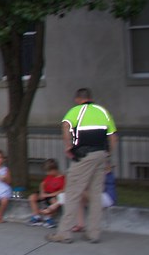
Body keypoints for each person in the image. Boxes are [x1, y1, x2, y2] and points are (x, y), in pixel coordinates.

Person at [48, 87, 117, 244]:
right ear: (90, 98)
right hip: (101, 155)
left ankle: (64, 233)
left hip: (84, 156)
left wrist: (68, 146)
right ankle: (93, 234)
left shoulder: (76, 111)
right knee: (95, 194)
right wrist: (108, 156)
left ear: (78, 99)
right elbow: (113, 137)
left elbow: (65, 127)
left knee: (73, 192)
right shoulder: (103, 111)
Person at [27, 159, 64, 227]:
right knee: (32, 197)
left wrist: (49, 195)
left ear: (54, 170)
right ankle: (36, 216)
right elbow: (42, 184)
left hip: (53, 194)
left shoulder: (62, 178)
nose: (47, 173)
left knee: (54, 202)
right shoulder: (49, 176)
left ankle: (48, 218)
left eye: (48, 171)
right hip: (45, 193)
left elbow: (62, 190)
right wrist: (42, 192)